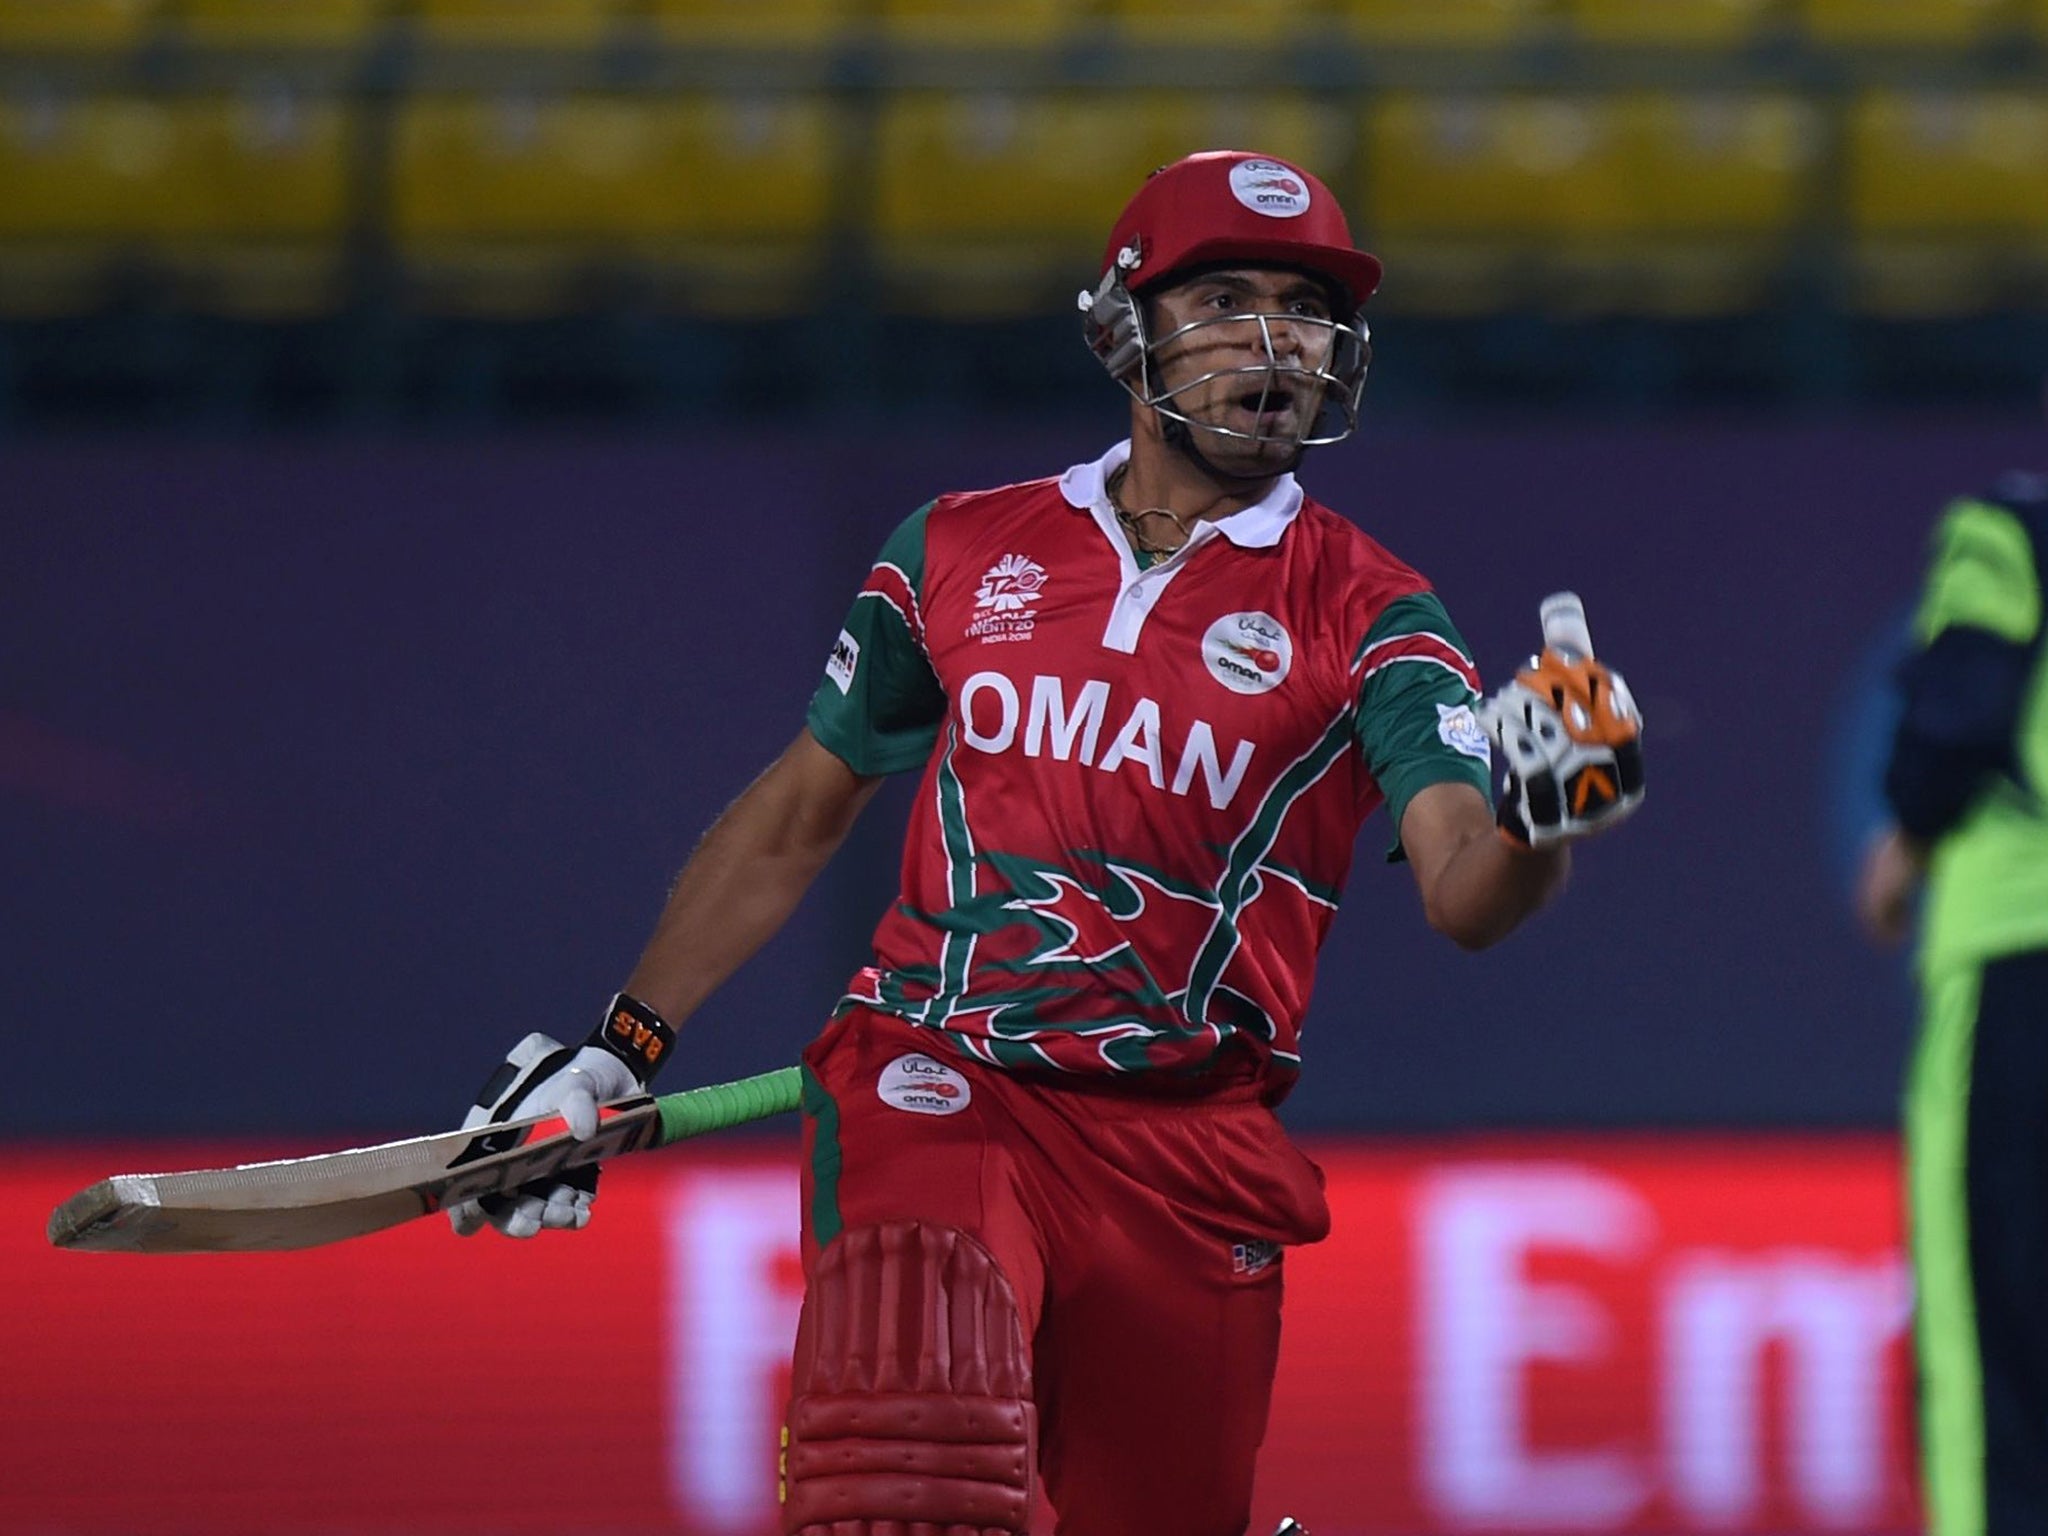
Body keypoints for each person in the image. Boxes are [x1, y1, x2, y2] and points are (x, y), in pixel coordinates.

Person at [447, 150, 1646, 1536]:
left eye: (1308, 311)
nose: (1276, 343)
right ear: (1125, 331)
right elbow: (796, 814)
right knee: (907, 1440)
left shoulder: (1375, 617)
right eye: (1228, 300)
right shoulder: (959, 551)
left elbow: (1465, 889)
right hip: (941, 1072)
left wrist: (1542, 819)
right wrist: (622, 1048)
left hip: (1189, 1154)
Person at [1857, 469, 2048, 1536]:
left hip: (2021, 958)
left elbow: (1959, 712)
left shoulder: (2010, 528)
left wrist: (1906, 840)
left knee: (2000, 1361)